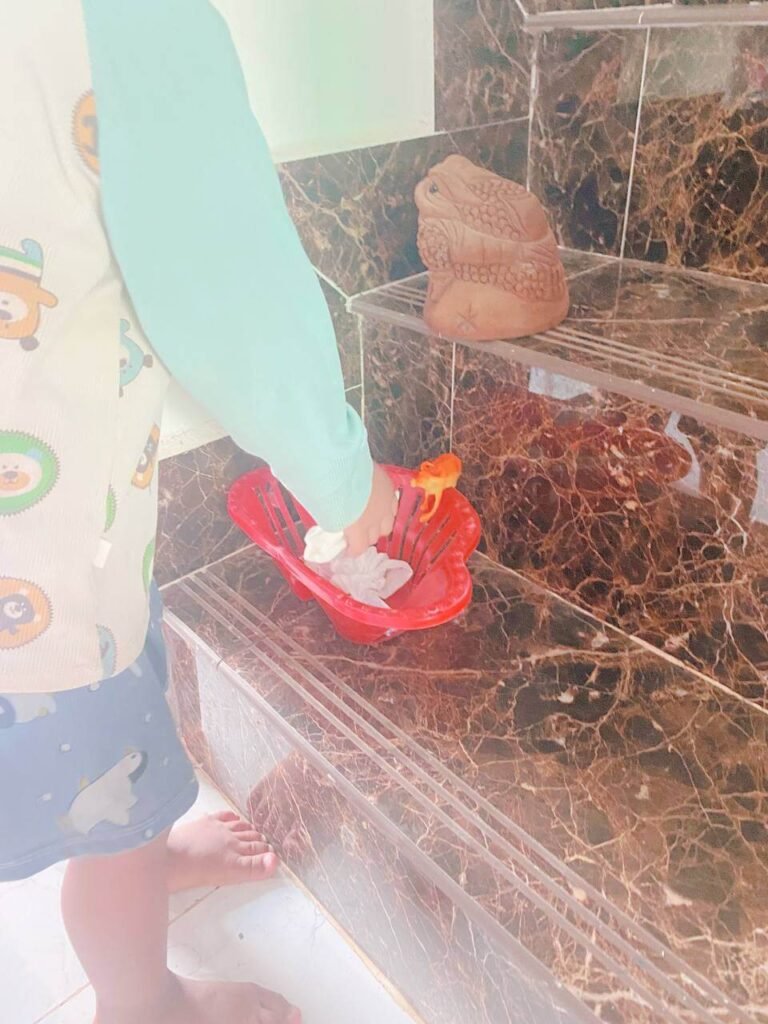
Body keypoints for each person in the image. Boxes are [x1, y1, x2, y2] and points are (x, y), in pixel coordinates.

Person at [0, 3, 397, 1022]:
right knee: (104, 803)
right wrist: (346, 486)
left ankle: (141, 848)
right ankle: (146, 998)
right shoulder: (121, 16)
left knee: (48, 775)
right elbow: (235, 291)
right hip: (43, 591)